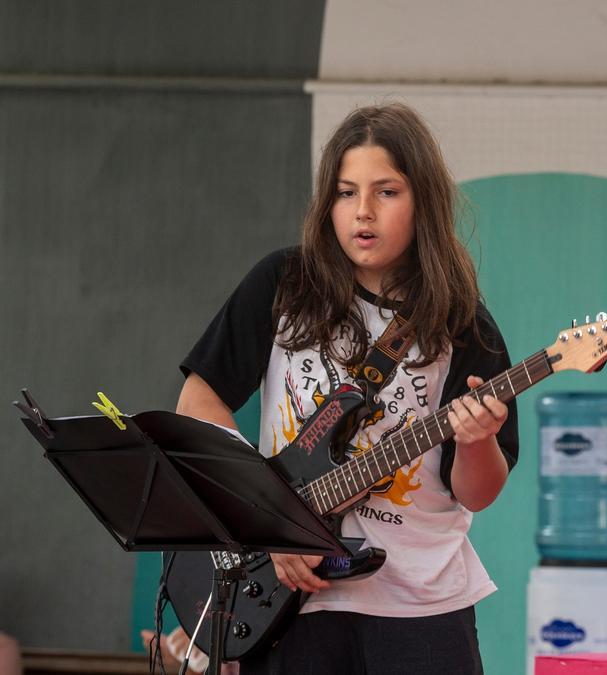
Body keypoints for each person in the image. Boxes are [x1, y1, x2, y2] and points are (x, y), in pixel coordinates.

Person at [176, 103, 519, 674]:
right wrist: (270, 523)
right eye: (344, 192)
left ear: (423, 202)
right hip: (295, 602)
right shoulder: (284, 283)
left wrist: (479, 439)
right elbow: (198, 403)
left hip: (424, 607)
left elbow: (477, 493)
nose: (363, 212)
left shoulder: (464, 324)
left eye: (386, 192)